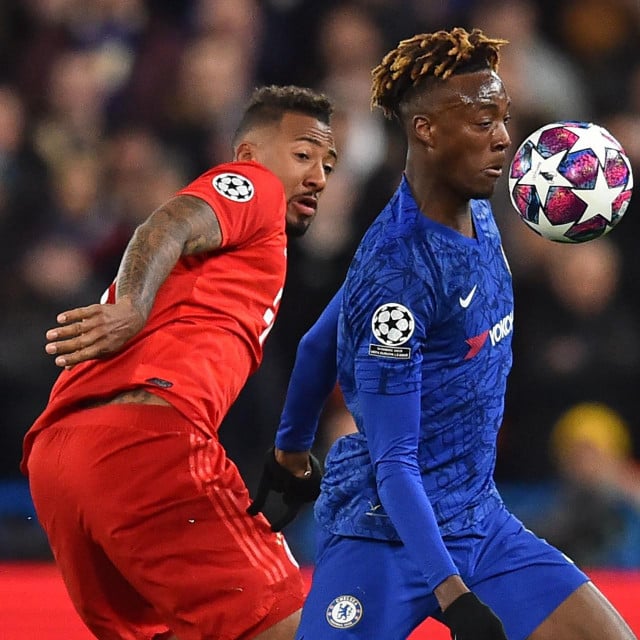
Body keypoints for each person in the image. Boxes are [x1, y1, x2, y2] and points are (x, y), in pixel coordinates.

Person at [248, 29, 637, 640]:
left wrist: (290, 452)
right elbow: (395, 462)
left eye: (503, 118)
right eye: (483, 121)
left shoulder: (475, 204)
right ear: (426, 130)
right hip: (386, 533)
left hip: (478, 519)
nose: (505, 139)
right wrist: (454, 596)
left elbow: (320, 339)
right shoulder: (399, 273)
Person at [20, 85, 337, 640]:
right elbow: (171, 221)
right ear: (250, 158)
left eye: (328, 163)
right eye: (304, 154)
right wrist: (134, 307)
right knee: (294, 626)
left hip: (60, 457)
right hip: (144, 442)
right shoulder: (253, 189)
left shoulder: (250, 259)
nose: (319, 177)